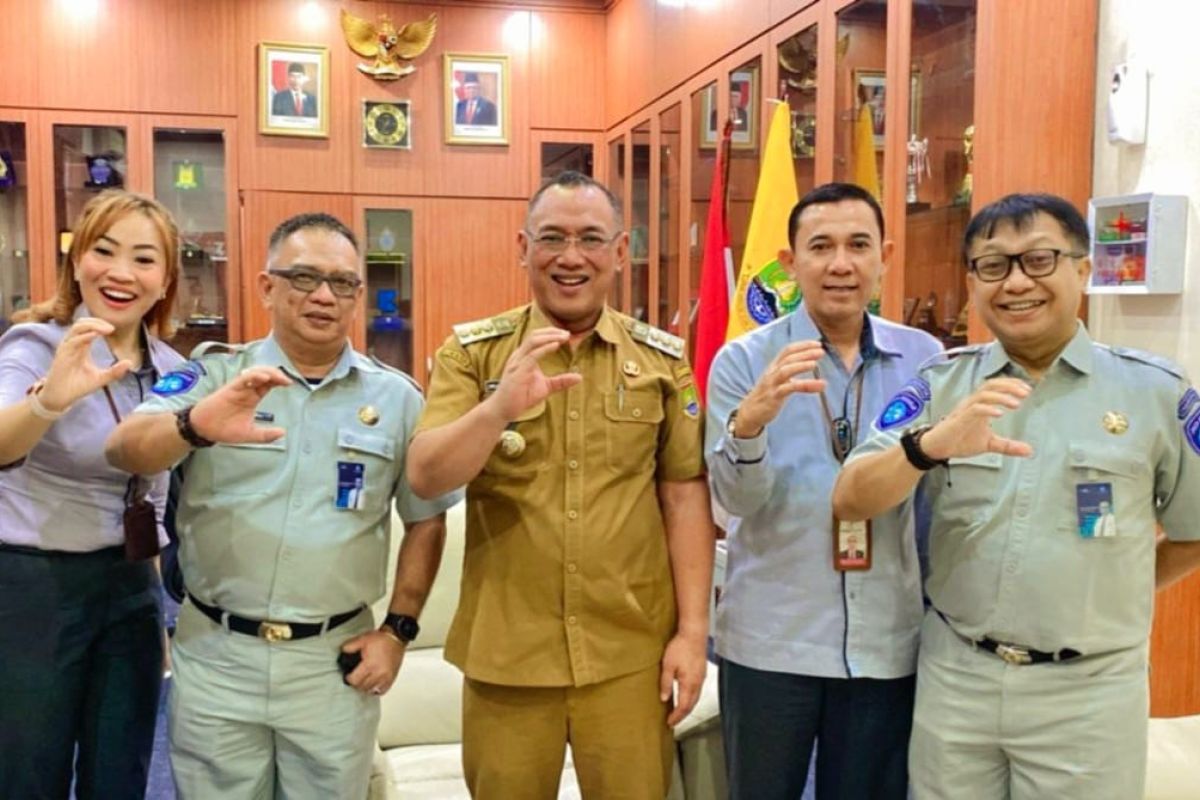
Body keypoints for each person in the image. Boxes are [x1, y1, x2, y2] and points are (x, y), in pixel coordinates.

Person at [833, 192, 1200, 800]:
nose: (1016, 283)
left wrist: (1110, 589)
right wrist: (930, 445)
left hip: (1088, 691)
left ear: (1083, 269)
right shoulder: (943, 383)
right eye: (993, 265)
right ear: (972, 281)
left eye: (1038, 260)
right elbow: (851, 498)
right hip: (958, 677)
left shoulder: (1155, 393)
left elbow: (1194, 531)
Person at [105, 213, 460, 799]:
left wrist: (398, 630)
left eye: (342, 282)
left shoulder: (396, 399)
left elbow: (427, 519)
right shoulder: (213, 374)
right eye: (303, 277)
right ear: (267, 287)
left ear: (357, 296)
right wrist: (195, 425)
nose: (323, 295)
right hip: (217, 655)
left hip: (331, 663)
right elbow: (126, 450)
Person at [406, 170, 714, 799]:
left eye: (591, 239)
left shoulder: (662, 360)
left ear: (620, 252)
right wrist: (497, 410)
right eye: (552, 238)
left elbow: (684, 496)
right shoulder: (475, 355)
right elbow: (427, 474)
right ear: (523, 248)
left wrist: (692, 632)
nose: (571, 257)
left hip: (629, 654)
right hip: (509, 656)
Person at [705, 182, 941, 799]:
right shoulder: (742, 361)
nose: (841, 263)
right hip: (771, 640)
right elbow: (735, 502)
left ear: (883, 255)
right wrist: (750, 423)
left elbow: (934, 507)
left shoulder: (926, 359)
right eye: (821, 246)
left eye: (858, 245)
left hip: (885, 642)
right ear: (790, 262)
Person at [0, 190, 184, 799]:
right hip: (35, 588)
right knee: (30, 769)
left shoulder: (171, 367)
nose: (121, 272)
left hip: (128, 588)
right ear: (77, 261)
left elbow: (153, 499)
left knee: (121, 770)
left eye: (143, 259)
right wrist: (50, 399)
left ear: (165, 282)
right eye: (103, 251)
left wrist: (152, 602)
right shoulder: (38, 346)